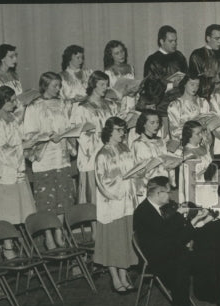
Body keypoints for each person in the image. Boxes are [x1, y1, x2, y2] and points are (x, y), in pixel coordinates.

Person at [134, 176, 220, 306]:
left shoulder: (158, 206)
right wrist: (191, 221)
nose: (170, 195)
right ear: (158, 193)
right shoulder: (144, 213)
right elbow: (171, 239)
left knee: (211, 254)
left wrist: (196, 219)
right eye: (167, 192)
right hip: (159, 258)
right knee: (182, 265)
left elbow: (173, 233)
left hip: (171, 248)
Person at [23, 72, 75, 249]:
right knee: (47, 200)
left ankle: (59, 232)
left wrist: (66, 134)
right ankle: (48, 236)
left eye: (59, 85)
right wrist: (46, 136)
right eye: (54, 86)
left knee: (63, 198)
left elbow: (69, 126)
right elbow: (29, 133)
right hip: (44, 159)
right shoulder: (34, 107)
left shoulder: (62, 105)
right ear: (44, 86)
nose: (58, 89)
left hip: (61, 156)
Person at [0, 86, 36, 260]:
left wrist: (29, 144)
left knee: (19, 209)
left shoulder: (12, 119)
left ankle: (17, 243)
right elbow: (1, 150)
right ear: (2, 101)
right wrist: (23, 147)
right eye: (12, 100)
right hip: (4, 171)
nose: (15, 104)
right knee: (7, 211)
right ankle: (7, 246)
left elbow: (17, 140)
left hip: (17, 169)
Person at [93, 117, 142, 295]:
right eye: (119, 130)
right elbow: (102, 183)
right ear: (109, 132)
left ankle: (124, 275)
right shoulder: (102, 155)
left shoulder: (125, 149)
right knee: (113, 241)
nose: (122, 134)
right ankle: (115, 278)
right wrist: (122, 181)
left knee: (125, 239)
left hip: (127, 202)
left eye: (124, 130)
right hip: (112, 204)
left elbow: (132, 170)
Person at [71, 71, 126, 204]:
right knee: (95, 199)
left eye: (107, 85)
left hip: (111, 152)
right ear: (93, 85)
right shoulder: (82, 108)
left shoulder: (111, 105)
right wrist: (103, 136)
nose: (105, 88)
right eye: (102, 84)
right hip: (92, 155)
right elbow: (81, 135)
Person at [131, 110, 174, 197]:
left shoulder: (160, 141)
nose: (156, 125)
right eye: (152, 123)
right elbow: (141, 170)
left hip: (163, 183)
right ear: (144, 124)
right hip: (148, 187)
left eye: (157, 122)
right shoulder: (138, 144)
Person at [103, 40, 140, 113]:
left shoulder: (130, 67)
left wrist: (136, 90)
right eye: (117, 53)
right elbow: (106, 94)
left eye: (122, 51)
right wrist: (123, 93)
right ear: (111, 56)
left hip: (132, 105)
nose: (121, 55)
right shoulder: (108, 72)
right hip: (118, 108)